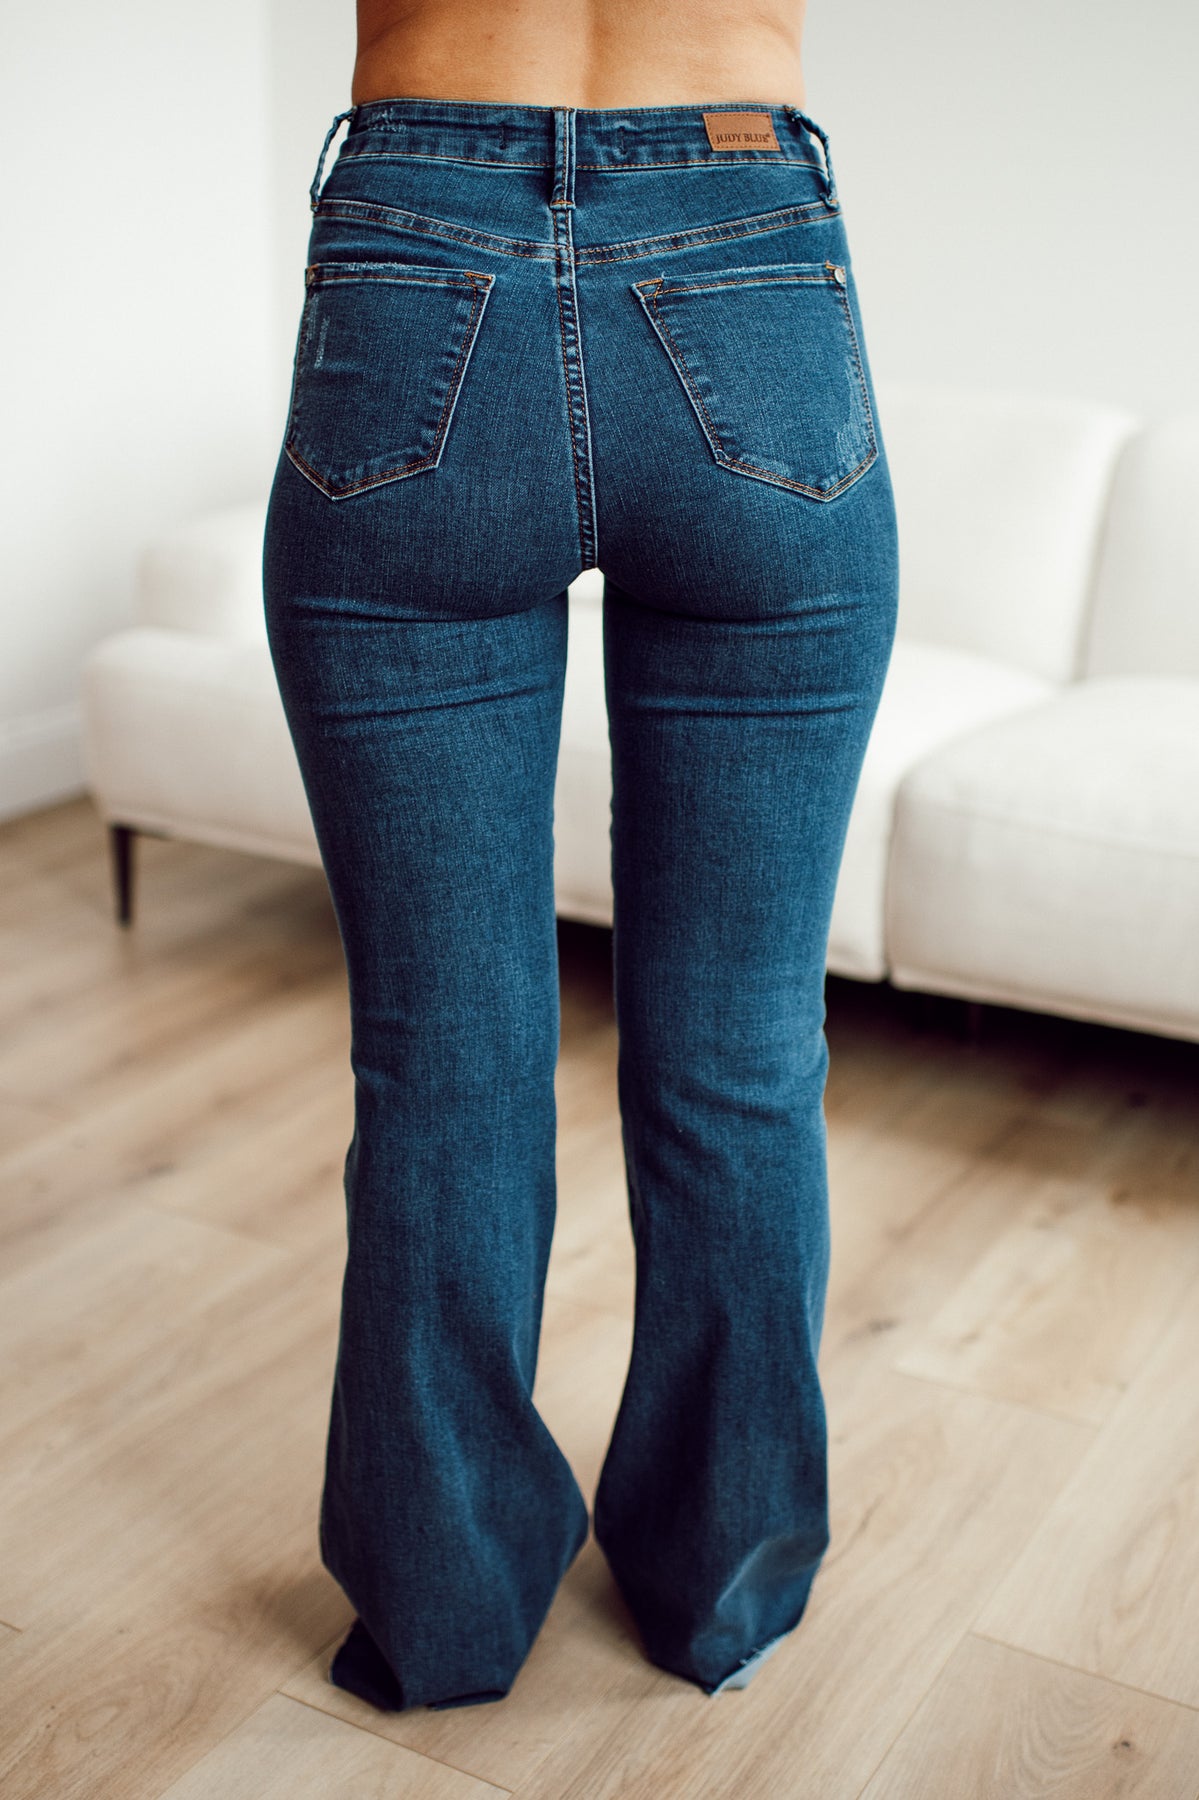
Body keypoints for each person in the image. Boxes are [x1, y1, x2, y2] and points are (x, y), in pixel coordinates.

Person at [262, 0, 899, 1713]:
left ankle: (443, 1612)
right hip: (744, 247)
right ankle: (721, 1585)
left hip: (422, 237)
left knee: (441, 1060)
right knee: (741, 1055)